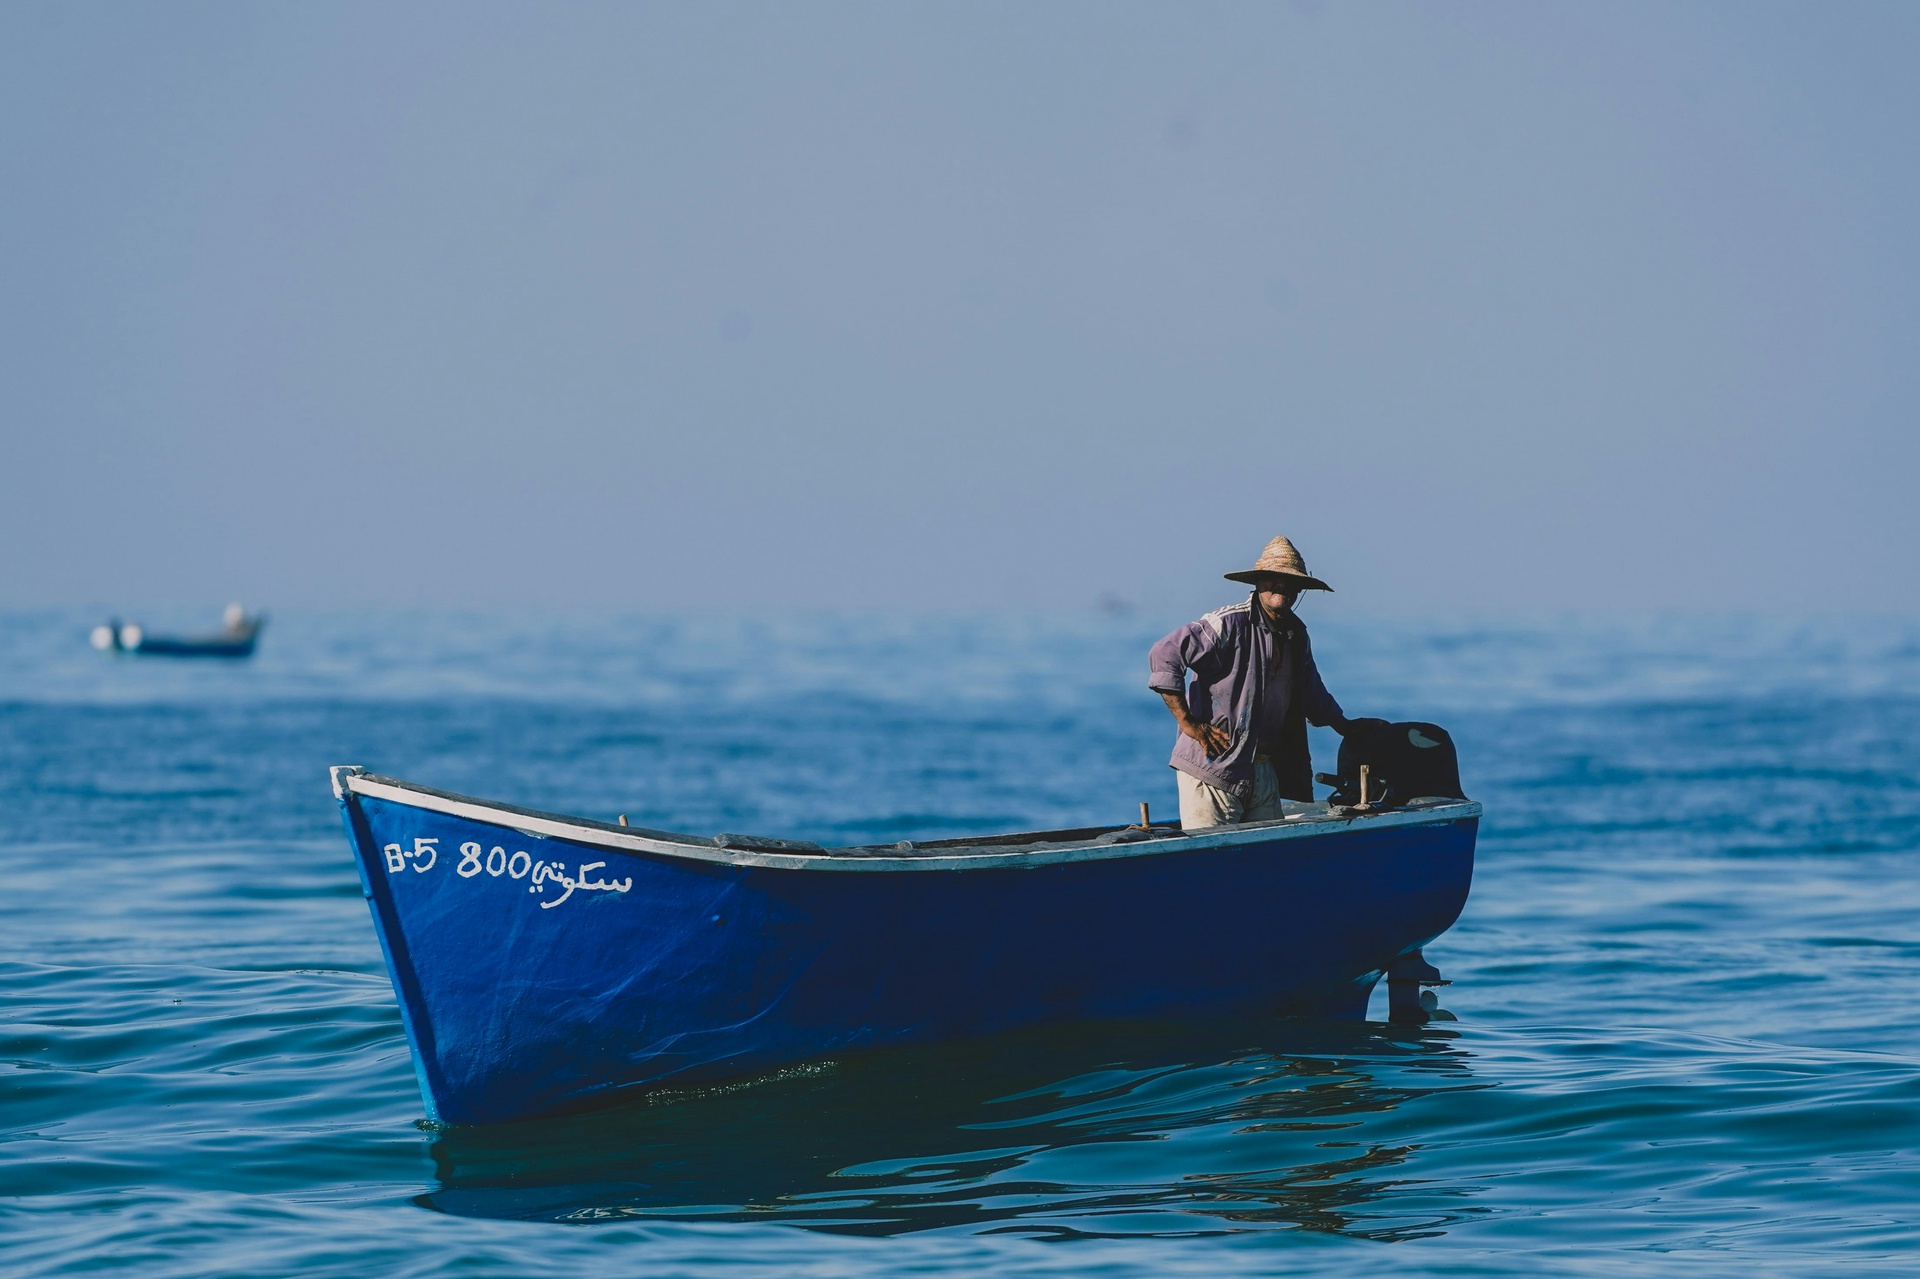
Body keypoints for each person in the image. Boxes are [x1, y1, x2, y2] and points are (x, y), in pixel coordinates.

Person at [1148, 535, 1351, 830]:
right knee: (1212, 857)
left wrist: (1347, 727)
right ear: (1258, 583)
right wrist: (1189, 723)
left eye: (1289, 580)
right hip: (1213, 765)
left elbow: (1312, 693)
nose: (1280, 586)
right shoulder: (1228, 623)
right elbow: (1164, 654)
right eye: (1272, 579)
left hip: (1263, 766)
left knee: (1267, 858)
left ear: (1299, 589)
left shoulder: (1296, 635)